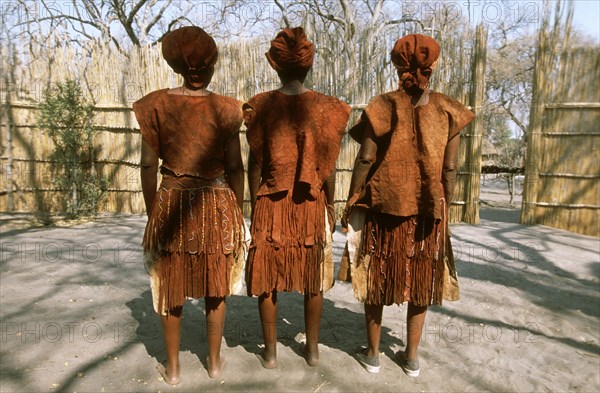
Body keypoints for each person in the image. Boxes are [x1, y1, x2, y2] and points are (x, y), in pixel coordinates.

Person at [339, 34, 474, 377]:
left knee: (376, 274)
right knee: (422, 279)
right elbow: (450, 168)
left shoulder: (382, 105)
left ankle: (372, 354)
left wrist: (352, 199)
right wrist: (445, 201)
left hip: (384, 207)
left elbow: (366, 159)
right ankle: (411, 357)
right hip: (428, 211)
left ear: (397, 65)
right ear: (433, 65)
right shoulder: (447, 110)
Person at [133, 26, 246, 384]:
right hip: (216, 203)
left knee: (172, 282)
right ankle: (213, 363)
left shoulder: (155, 105)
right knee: (216, 282)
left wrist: (155, 212)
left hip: (171, 202)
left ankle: (174, 370)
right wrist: (238, 210)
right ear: (210, 65)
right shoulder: (227, 109)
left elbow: (149, 165)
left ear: (177, 65)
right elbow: (234, 167)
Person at [244, 27, 351, 368]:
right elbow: (329, 167)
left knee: (266, 277)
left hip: (270, 201)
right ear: (309, 65)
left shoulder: (261, 106)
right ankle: (314, 350)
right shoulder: (327, 109)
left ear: (275, 64)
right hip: (310, 202)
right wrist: (330, 205)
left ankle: (271, 352)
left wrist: (254, 202)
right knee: (313, 275)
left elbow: (253, 164)